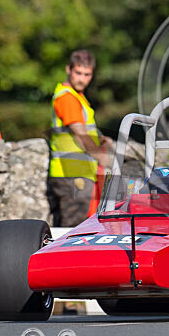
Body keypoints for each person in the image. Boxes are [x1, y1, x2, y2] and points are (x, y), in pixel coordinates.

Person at [47, 49, 113, 227]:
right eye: (78, 73)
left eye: (87, 74)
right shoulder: (67, 98)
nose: (82, 79)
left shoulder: (78, 97)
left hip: (78, 173)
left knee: (79, 230)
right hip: (71, 174)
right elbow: (81, 135)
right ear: (68, 70)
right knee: (73, 232)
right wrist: (104, 159)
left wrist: (101, 139)